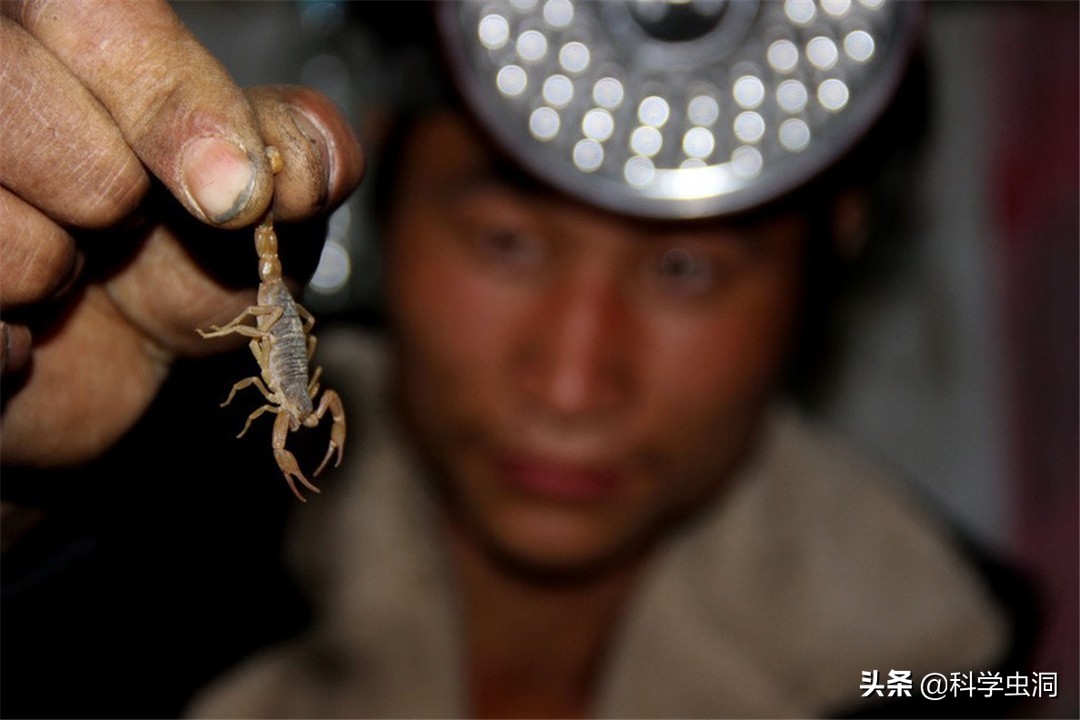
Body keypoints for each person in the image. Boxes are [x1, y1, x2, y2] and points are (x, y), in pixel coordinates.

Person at [1, 1, 1035, 718]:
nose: (573, 381)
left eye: (686, 270)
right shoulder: (126, 564)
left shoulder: (948, 666)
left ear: (834, 250)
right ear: (390, 197)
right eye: (506, 240)